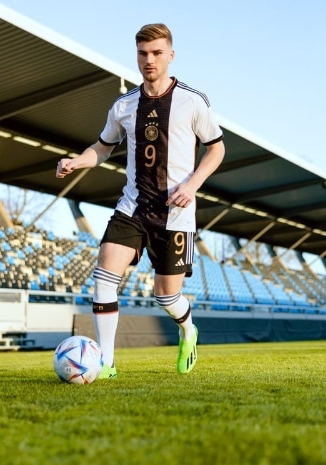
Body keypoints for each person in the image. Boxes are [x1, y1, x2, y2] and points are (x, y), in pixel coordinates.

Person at [56, 23, 225, 377]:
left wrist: (193, 184)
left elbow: (216, 148)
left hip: (176, 213)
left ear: (170, 55)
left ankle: (187, 328)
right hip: (132, 207)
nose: (149, 60)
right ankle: (107, 363)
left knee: (166, 296)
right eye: (143, 53)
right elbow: (102, 147)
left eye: (157, 53)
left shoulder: (193, 101)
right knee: (104, 275)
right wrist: (77, 160)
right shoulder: (123, 106)